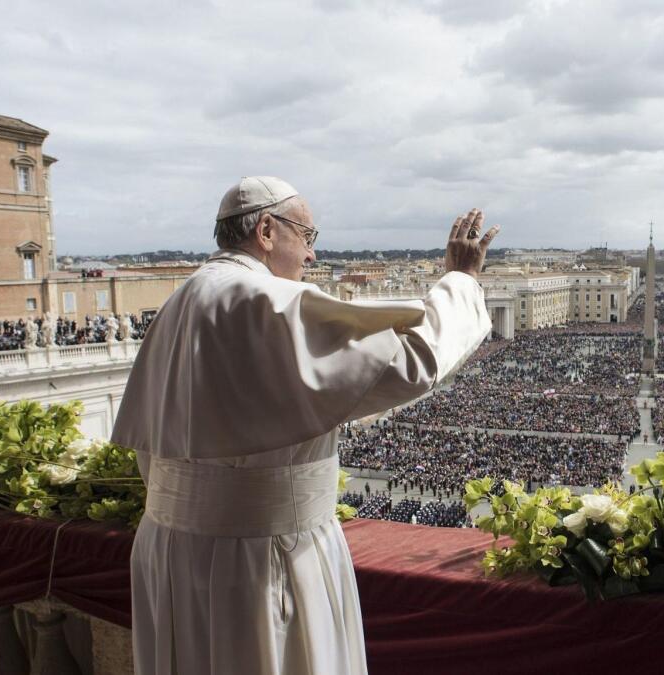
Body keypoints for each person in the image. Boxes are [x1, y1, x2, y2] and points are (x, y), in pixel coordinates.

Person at [111, 176, 498, 675]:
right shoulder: (265, 300)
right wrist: (462, 280)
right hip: (263, 556)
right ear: (267, 230)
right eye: (309, 238)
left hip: (169, 550)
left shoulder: (178, 303)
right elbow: (410, 362)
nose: (313, 257)